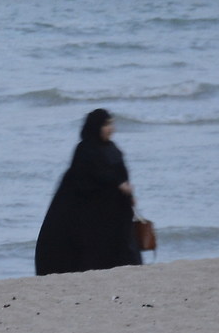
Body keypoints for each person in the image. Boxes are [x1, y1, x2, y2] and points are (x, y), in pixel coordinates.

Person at [34, 108, 140, 274]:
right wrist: (116, 184)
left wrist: (129, 194)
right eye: (106, 125)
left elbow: (121, 173)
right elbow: (86, 178)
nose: (110, 128)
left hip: (113, 210)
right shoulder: (85, 150)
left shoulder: (112, 148)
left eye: (111, 124)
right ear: (95, 127)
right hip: (89, 211)